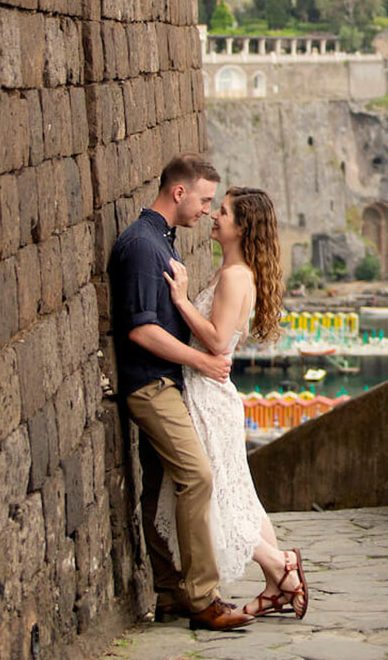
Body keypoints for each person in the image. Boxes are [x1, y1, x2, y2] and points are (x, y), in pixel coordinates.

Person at [107, 154, 253, 632]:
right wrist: (205, 362)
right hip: (151, 384)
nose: (208, 211)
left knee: (159, 488)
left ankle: (170, 592)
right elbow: (141, 331)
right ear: (179, 192)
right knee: (198, 477)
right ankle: (202, 597)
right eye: (205, 199)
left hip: (164, 382)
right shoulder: (143, 246)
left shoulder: (160, 242)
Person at [157, 186, 310, 619]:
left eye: (222, 212)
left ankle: (281, 566)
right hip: (214, 393)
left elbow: (219, 341)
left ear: (242, 227)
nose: (214, 217)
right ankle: (276, 583)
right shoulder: (236, 271)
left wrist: (183, 301)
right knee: (239, 494)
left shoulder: (233, 275)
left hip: (207, 392)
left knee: (216, 500)